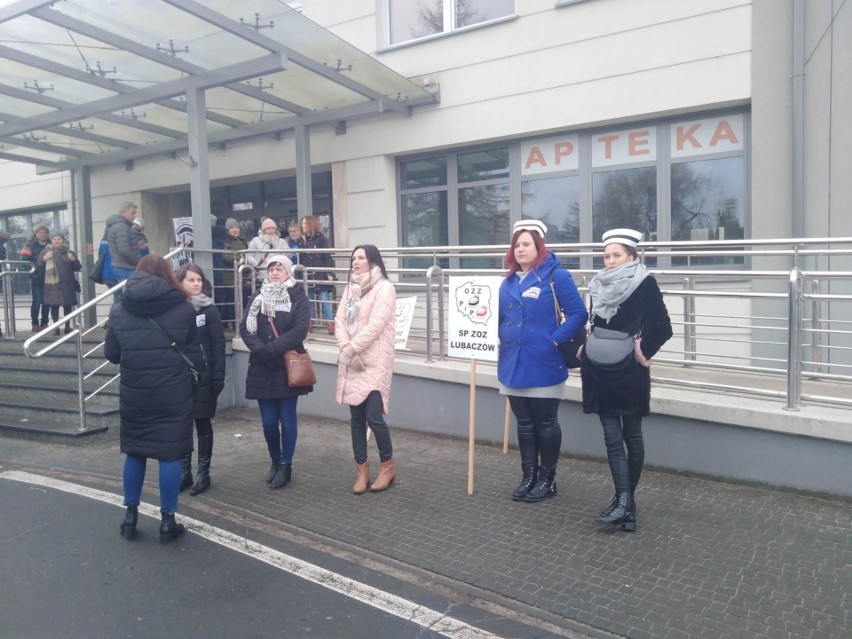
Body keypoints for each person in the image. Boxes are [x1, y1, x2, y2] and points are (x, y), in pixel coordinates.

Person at [581, 228, 672, 532]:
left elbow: (662, 326)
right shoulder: (598, 285)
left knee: (632, 436)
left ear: (631, 256)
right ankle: (625, 506)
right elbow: (593, 321)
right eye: (606, 256)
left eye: (616, 255)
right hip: (601, 371)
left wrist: (642, 352)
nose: (609, 261)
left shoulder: (645, 283)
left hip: (630, 371)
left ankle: (624, 504)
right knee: (611, 438)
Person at [104, 254, 197, 543]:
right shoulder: (182, 308)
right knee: (169, 454)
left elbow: (112, 355)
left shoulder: (119, 309)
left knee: (135, 451)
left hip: (136, 393)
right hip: (172, 393)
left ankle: (130, 516)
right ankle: (168, 520)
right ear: (168, 274)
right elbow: (190, 344)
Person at [497, 220, 587, 503]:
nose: (520, 249)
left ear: (539, 247)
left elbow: (578, 314)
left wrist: (555, 340)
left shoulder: (556, 276)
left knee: (546, 422)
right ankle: (529, 476)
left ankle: (548, 479)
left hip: (544, 361)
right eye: (517, 245)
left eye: (526, 244)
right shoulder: (508, 281)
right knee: (524, 423)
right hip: (513, 363)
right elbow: (500, 318)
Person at [240, 254, 312, 489]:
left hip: (285, 366)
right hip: (262, 366)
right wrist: (260, 350)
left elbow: (299, 330)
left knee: (287, 420)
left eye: (279, 268)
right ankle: (274, 459)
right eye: (271, 269)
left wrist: (271, 349)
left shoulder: (297, 297)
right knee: (268, 422)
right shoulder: (257, 297)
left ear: (288, 272)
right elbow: (245, 328)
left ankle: (285, 465)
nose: (274, 272)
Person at [334, 245, 398, 494]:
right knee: (356, 420)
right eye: (353, 258)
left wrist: (352, 349)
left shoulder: (385, 288)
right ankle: (361, 471)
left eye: (360, 258)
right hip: (352, 360)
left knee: (374, 416)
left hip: (374, 361)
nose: (355, 262)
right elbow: (340, 320)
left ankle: (387, 467)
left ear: (373, 261)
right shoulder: (351, 288)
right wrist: (346, 349)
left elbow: (376, 324)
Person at [176, 264, 226, 497]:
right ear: (180, 283)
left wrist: (218, 376)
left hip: (204, 376)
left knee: (203, 424)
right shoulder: (174, 308)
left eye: (199, 280)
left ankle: (203, 473)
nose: (196, 284)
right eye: (190, 280)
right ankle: (184, 471)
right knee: (183, 425)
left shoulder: (209, 310)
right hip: (179, 377)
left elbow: (218, 345)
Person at [37, 232, 82, 335]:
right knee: (54, 305)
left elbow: (78, 267)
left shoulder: (70, 252)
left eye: (59, 239)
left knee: (68, 306)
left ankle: (67, 327)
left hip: (67, 282)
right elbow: (38, 267)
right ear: (51, 240)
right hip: (52, 284)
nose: (57, 241)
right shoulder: (46, 251)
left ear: (63, 241)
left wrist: (74, 260)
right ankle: (56, 328)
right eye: (54, 239)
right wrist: (44, 259)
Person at [298, 215, 336, 334]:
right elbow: (301, 258)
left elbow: (327, 256)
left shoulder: (320, 238)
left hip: (319, 274)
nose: (302, 226)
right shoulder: (302, 240)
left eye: (305, 224)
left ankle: (330, 324)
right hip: (306, 274)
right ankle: (309, 323)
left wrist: (330, 273)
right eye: (302, 224)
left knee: (324, 299)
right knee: (308, 300)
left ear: (311, 224)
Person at [106, 201, 142, 302]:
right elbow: (124, 250)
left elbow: (122, 246)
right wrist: (139, 261)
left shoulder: (117, 226)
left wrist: (136, 246)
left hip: (120, 265)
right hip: (125, 266)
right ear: (123, 212)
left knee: (121, 298)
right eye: (132, 213)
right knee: (129, 298)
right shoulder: (122, 226)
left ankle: (116, 316)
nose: (134, 216)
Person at [19, 225, 51, 332]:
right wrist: (33, 272)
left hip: (50, 277)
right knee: (37, 300)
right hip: (36, 277)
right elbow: (24, 261)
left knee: (47, 302)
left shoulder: (51, 245)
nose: (43, 234)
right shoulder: (29, 245)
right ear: (36, 234)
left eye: (45, 232)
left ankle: (45, 323)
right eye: (40, 232)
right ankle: (35, 324)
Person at [221, 218, 248, 330]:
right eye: (232, 228)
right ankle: (232, 325)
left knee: (242, 301)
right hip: (229, 278)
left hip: (242, 277)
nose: (235, 230)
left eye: (237, 227)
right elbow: (224, 256)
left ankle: (240, 324)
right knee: (230, 303)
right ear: (227, 229)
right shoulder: (224, 241)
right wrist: (240, 259)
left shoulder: (242, 240)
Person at [246, 217, 288, 288]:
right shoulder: (255, 240)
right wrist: (257, 264)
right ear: (264, 229)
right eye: (268, 228)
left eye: (273, 228)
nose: (271, 230)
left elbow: (288, 254)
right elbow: (249, 255)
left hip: (277, 273)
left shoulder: (281, 241)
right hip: (260, 274)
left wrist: (281, 258)